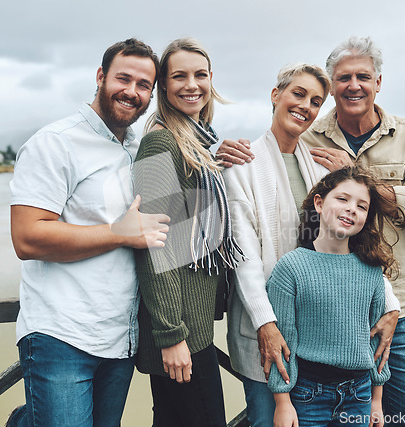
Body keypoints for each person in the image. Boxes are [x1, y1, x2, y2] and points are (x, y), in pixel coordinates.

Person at [221, 36, 405, 426]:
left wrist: (361, 180)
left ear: (379, 82)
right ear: (275, 94)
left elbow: (370, 235)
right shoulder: (286, 151)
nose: (306, 107)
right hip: (296, 321)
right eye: (343, 78)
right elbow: (246, 252)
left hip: (377, 310)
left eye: (314, 100)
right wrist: (214, 154)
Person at [7, 38, 170, 427]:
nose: (132, 91)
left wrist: (224, 156)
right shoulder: (54, 143)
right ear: (101, 77)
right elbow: (27, 238)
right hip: (60, 335)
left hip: (121, 339)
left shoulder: (139, 149)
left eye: (144, 84)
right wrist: (118, 233)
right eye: (123, 78)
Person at [132, 37, 244, 427]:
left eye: (200, 75)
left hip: (192, 325)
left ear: (212, 79)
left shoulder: (199, 141)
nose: (191, 84)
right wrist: (170, 334)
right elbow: (154, 245)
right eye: (179, 76)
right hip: (180, 332)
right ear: (163, 84)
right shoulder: (161, 141)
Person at [267, 165, 396, 427]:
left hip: (359, 395)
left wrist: (376, 400)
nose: (352, 209)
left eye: (362, 206)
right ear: (319, 203)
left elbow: (375, 341)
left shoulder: (371, 270)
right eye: (343, 199)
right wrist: (282, 402)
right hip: (307, 395)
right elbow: (284, 341)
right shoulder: (291, 266)